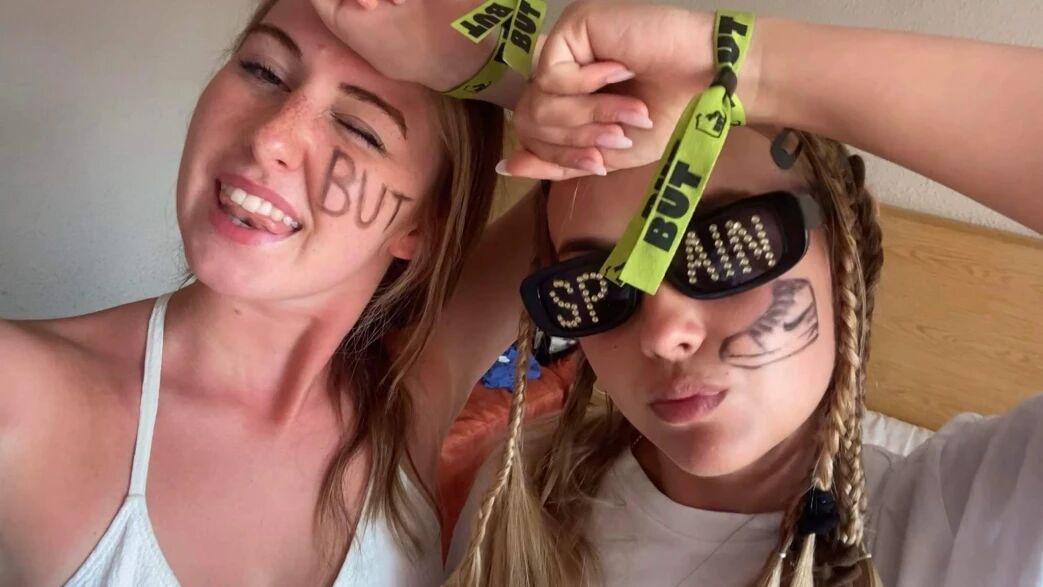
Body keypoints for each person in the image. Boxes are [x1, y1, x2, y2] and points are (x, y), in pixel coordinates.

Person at [436, 2, 1043, 586]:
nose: (663, 333)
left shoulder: (971, 522)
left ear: (846, 243)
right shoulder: (518, 497)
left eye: (727, 245)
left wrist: (747, 65)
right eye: (598, 284)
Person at [0, 0, 542, 583]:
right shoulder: (20, 394)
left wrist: (488, 74)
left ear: (424, 224)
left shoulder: (410, 401)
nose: (270, 139)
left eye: (359, 128)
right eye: (263, 70)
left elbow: (613, 165)